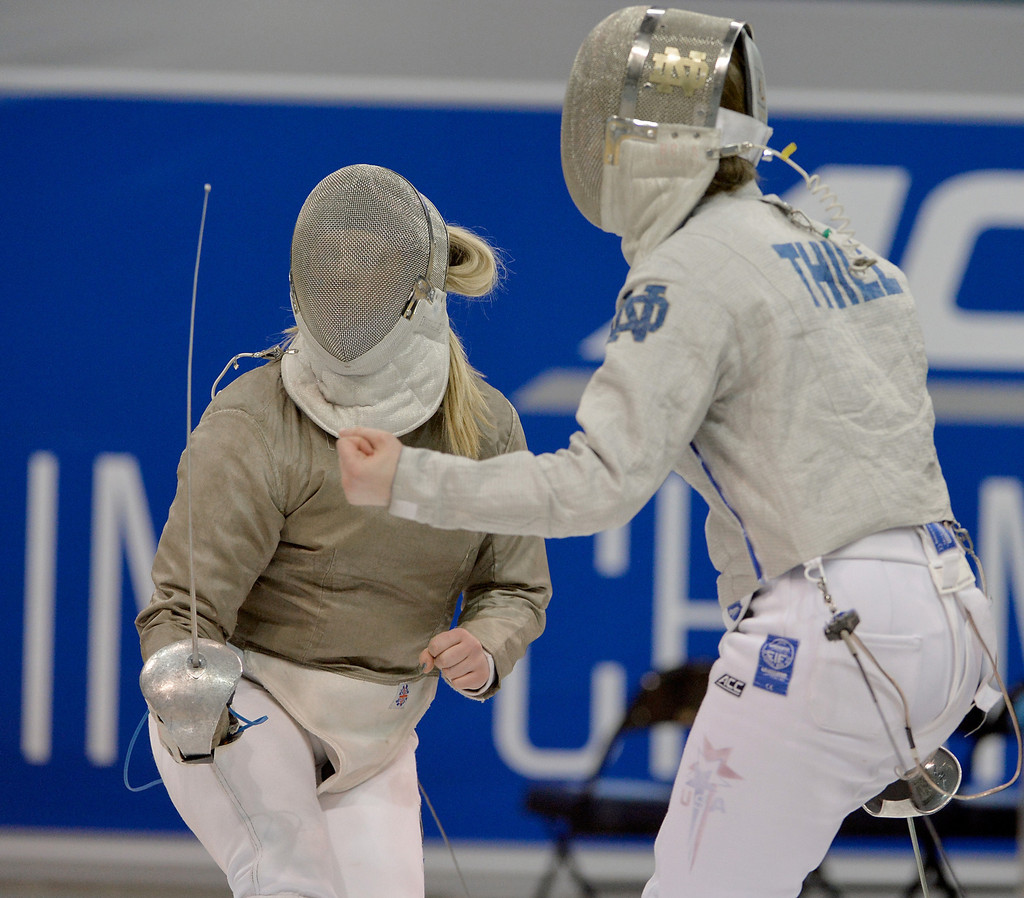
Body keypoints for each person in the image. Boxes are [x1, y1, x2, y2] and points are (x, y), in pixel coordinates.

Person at [334, 9, 1002, 898]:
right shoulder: (845, 253)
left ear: (643, 147)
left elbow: (597, 487)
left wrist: (404, 478)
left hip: (835, 631)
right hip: (955, 626)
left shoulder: (686, 270)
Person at [135, 163, 551, 898]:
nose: (348, 279)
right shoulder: (254, 418)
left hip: (379, 738)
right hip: (252, 707)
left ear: (416, 287)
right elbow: (181, 609)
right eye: (332, 262)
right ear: (302, 278)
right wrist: (189, 694)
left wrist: (483, 647)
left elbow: (513, 585)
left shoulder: (484, 427)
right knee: (290, 880)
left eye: (371, 262)